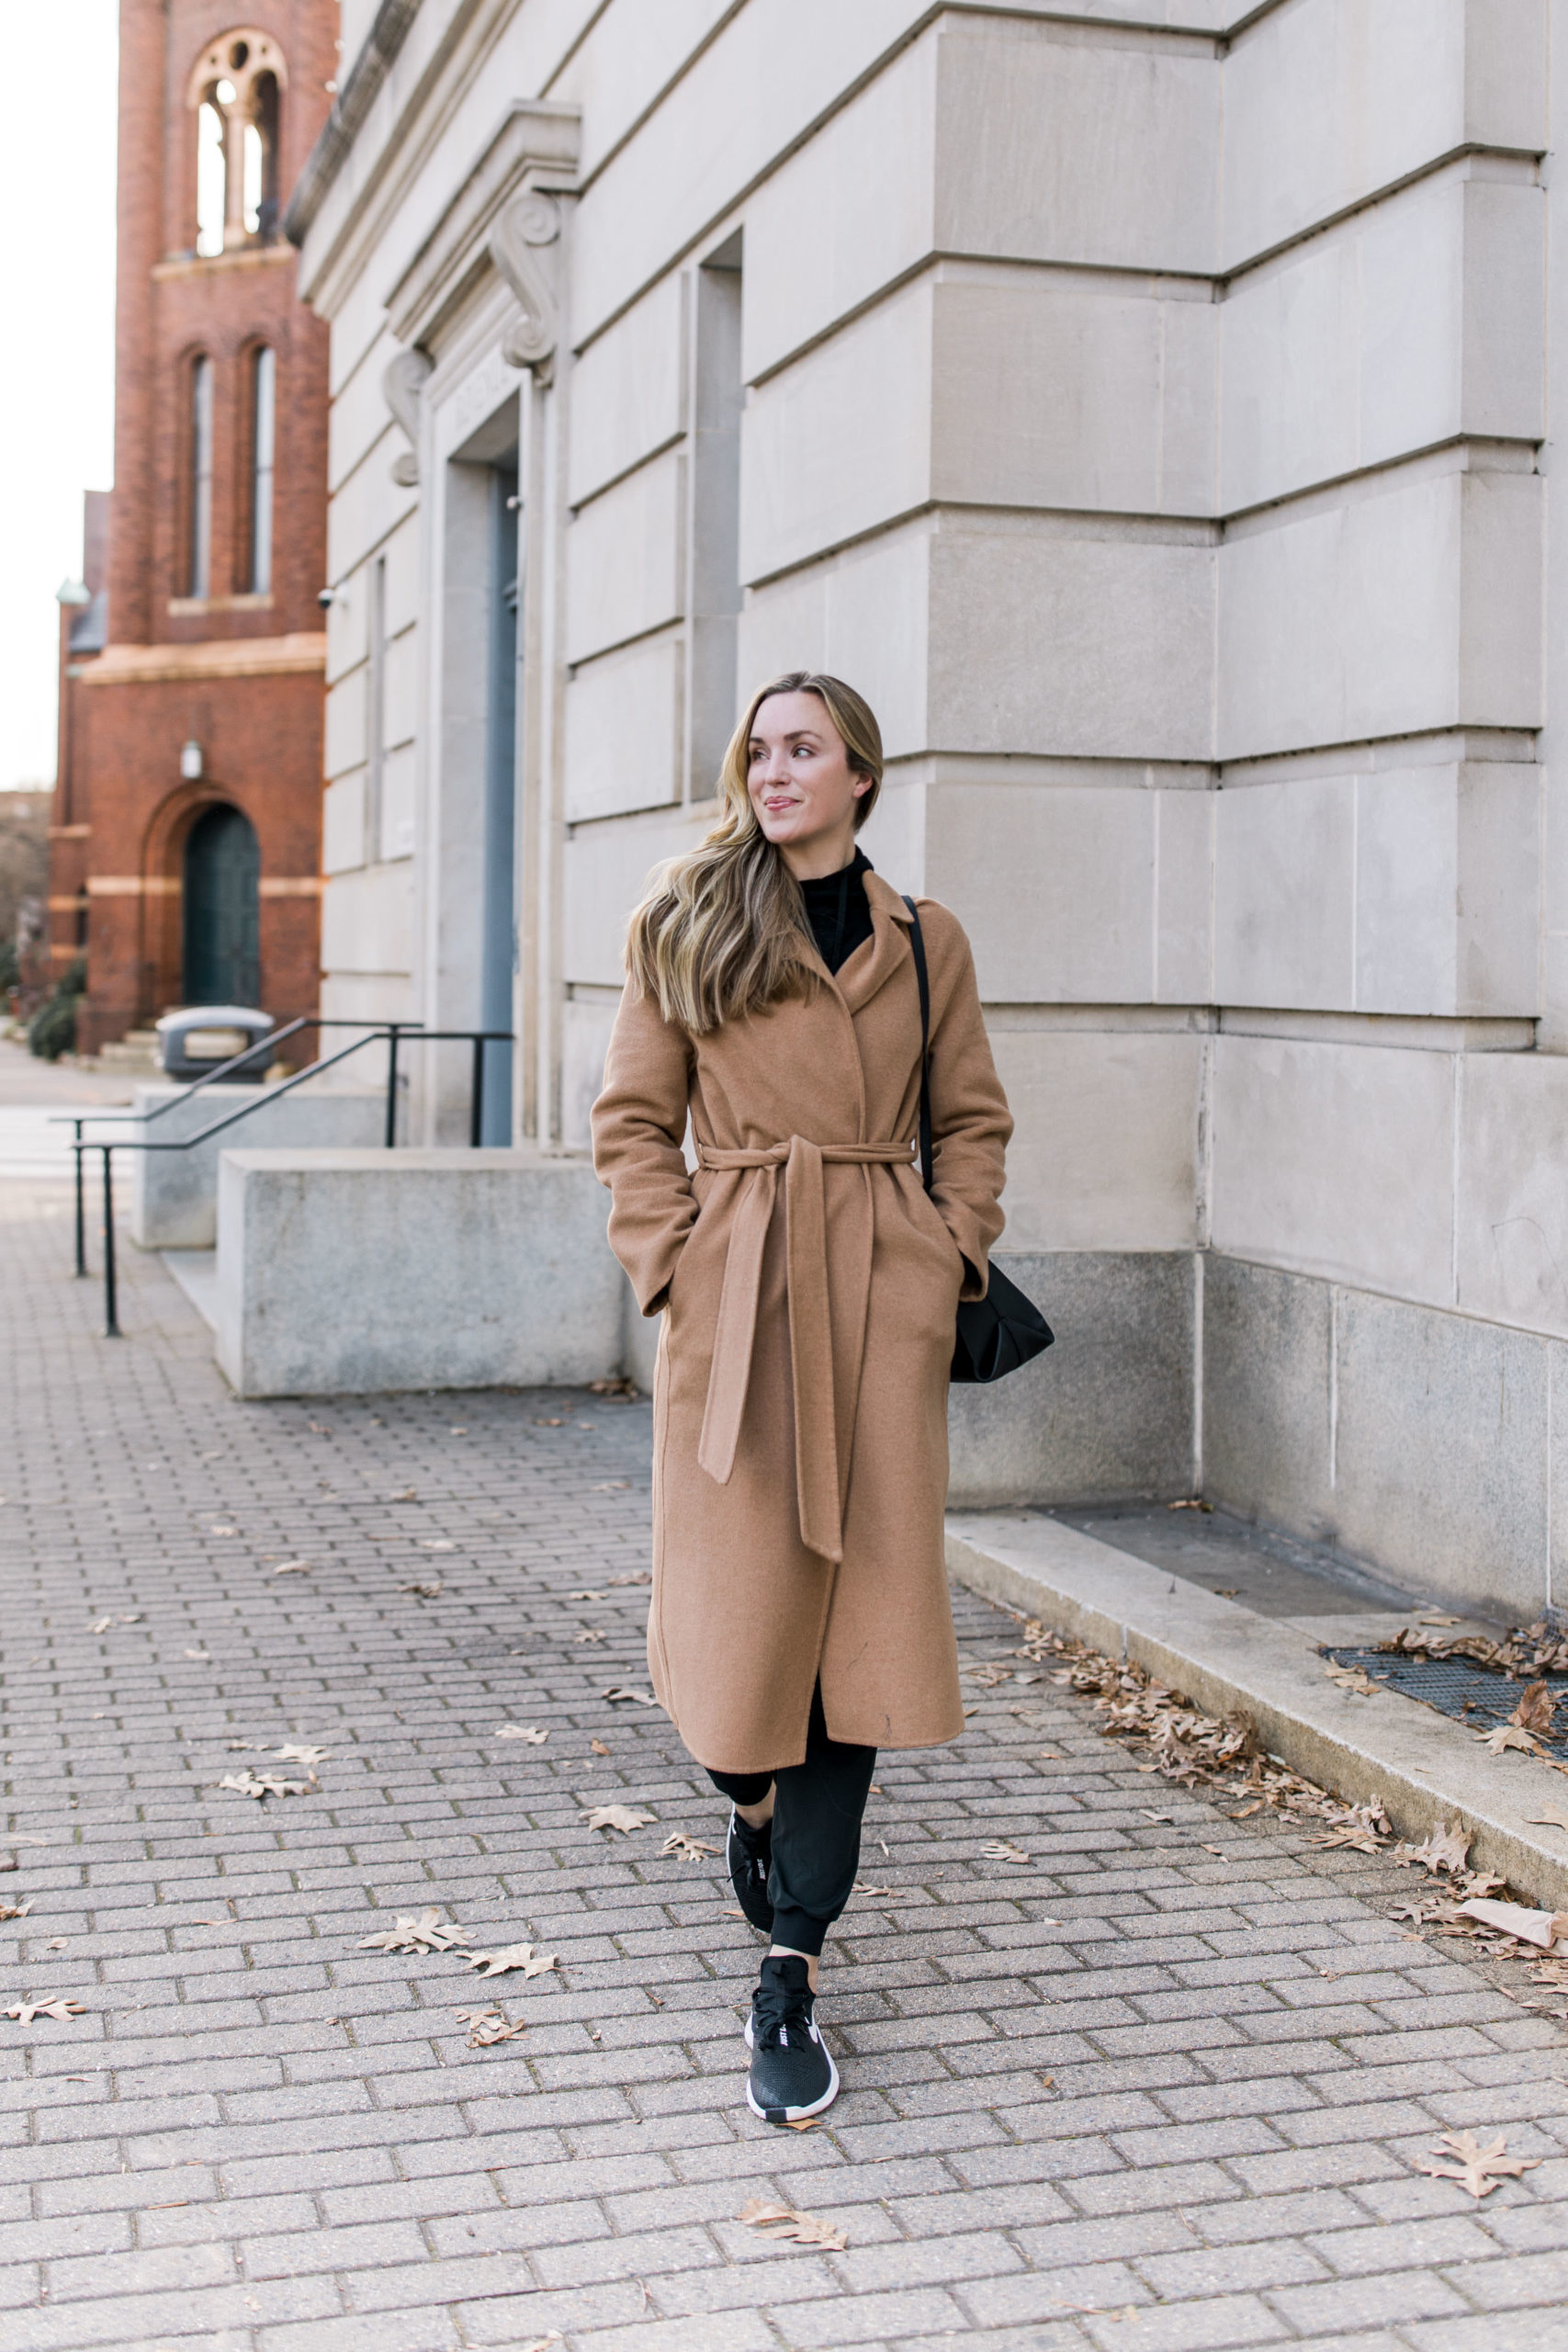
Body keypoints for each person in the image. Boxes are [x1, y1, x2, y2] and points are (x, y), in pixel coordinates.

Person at [591, 671, 1012, 2123]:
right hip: (743, 1310)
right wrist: (678, 1271)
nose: (774, 772)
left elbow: (971, 1118)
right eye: (758, 751)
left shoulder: (924, 938)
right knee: (735, 1648)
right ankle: (750, 1807)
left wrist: (941, 1259)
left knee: (861, 1641)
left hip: (879, 1313)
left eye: (802, 750)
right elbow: (634, 1126)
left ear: (860, 776)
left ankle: (792, 1966)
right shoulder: (690, 922)